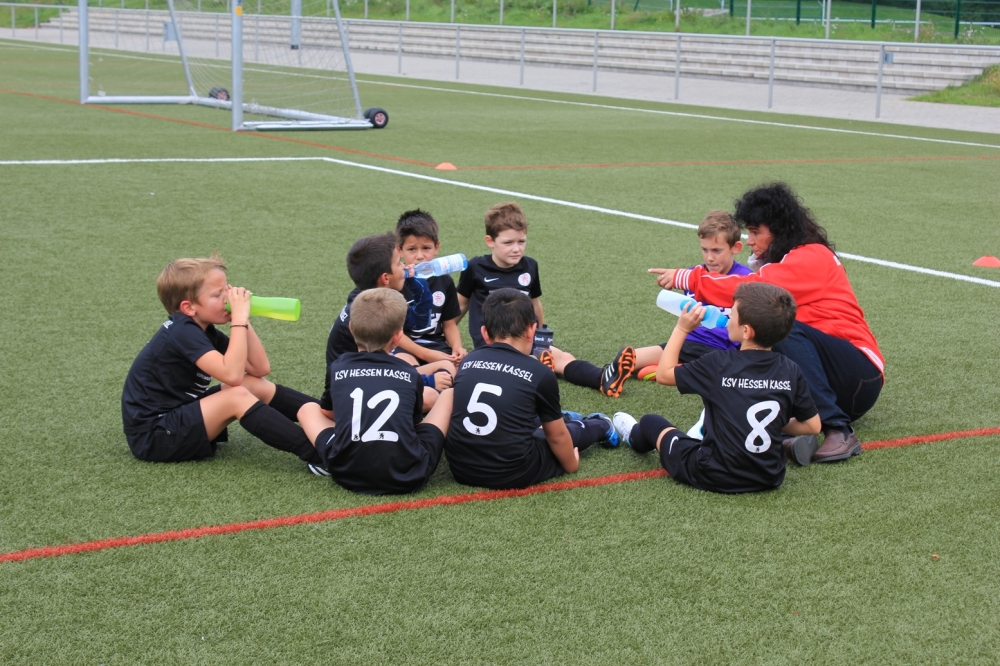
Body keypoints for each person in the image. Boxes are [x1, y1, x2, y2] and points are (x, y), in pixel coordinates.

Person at [651, 182, 884, 462]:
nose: (750, 240)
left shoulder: (812, 255)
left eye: (756, 232)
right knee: (756, 349)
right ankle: (784, 440)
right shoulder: (788, 259)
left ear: (779, 229)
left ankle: (839, 429)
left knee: (778, 328)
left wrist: (688, 278)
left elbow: (750, 288)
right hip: (829, 379)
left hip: (858, 376)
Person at [613, 283, 821, 494]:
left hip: (712, 474)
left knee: (651, 422)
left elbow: (664, 374)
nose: (727, 317)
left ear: (746, 331)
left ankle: (634, 436)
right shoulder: (790, 369)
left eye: (733, 314)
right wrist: (772, 425)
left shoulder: (719, 363)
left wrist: (681, 329)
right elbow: (813, 426)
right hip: (769, 477)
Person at [121, 255, 323, 470]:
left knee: (253, 384)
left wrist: (242, 318)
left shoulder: (203, 330)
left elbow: (259, 368)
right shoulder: (182, 332)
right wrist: (239, 320)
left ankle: (332, 420)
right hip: (154, 436)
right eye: (218, 294)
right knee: (237, 396)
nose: (227, 297)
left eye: (226, 289)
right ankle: (323, 455)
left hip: (179, 413)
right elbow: (232, 376)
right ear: (189, 308)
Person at [537, 210, 752, 398]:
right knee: (627, 359)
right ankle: (625, 374)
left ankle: (669, 369)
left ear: (736, 248)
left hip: (724, 351)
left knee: (722, 379)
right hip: (687, 343)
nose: (710, 257)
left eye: (716, 251)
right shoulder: (693, 274)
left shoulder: (747, 280)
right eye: (705, 250)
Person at [445, 289, 621, 490]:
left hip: (460, 469)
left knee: (517, 416)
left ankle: (562, 417)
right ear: (532, 331)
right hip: (515, 472)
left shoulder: (467, 361)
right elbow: (557, 437)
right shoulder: (540, 372)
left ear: (484, 333)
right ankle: (602, 425)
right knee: (558, 434)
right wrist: (571, 465)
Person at [298, 289, 454, 494]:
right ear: (398, 337)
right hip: (410, 475)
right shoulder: (410, 373)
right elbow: (414, 423)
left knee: (307, 409)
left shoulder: (338, 367)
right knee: (448, 395)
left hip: (346, 473)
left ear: (351, 328)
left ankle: (335, 456)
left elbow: (329, 413)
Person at [321, 233, 454, 415]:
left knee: (444, 365)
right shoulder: (372, 312)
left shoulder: (377, 300)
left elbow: (419, 321)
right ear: (385, 278)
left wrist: (415, 283)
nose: (405, 266)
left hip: (374, 368)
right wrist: (426, 381)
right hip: (356, 383)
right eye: (399, 263)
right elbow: (375, 370)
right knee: (430, 395)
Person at [457, 202, 544, 350]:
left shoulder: (530, 266)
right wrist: (444, 333)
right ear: (490, 241)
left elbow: (534, 303)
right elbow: (460, 304)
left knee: (563, 357)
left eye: (521, 242)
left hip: (524, 341)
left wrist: (541, 335)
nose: (516, 249)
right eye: (508, 243)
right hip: (490, 343)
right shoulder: (475, 267)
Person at [395, 209, 467, 365]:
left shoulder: (445, 281)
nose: (420, 256)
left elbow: (449, 324)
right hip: (403, 347)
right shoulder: (396, 283)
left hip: (435, 344)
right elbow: (394, 333)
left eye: (426, 248)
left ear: (436, 247)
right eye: (412, 249)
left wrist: (457, 348)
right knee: (408, 368)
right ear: (400, 250)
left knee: (454, 369)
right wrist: (426, 355)